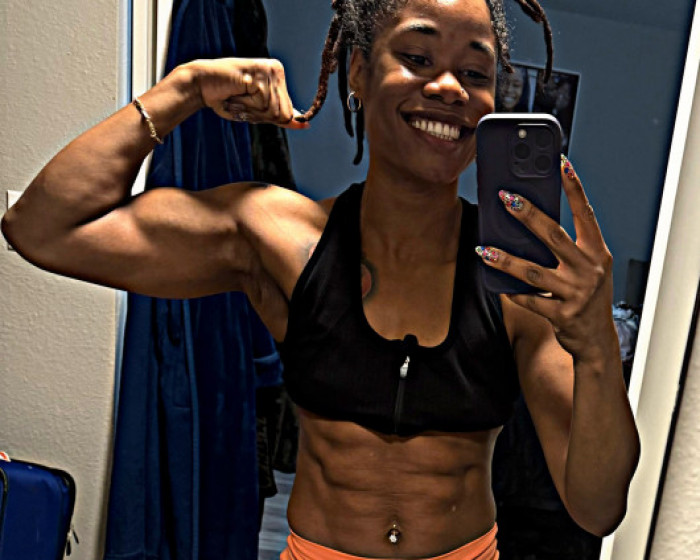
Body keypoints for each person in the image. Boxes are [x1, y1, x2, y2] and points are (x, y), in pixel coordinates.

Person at [1, 0, 640, 558]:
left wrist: (594, 344)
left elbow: (597, 507)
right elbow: (42, 228)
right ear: (358, 71)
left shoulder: (516, 278)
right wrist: (184, 89)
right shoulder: (277, 237)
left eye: (476, 73)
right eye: (417, 57)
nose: (449, 88)